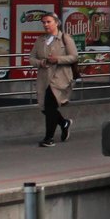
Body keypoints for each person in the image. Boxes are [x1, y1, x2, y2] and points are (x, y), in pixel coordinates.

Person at [29, 12, 77, 147]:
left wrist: (58, 59)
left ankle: (48, 138)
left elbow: (74, 57)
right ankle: (64, 123)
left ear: (56, 23)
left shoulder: (65, 38)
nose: (45, 25)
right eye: (44, 22)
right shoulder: (40, 40)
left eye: (48, 22)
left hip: (60, 76)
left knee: (50, 105)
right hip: (44, 77)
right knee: (45, 107)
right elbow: (31, 58)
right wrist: (40, 63)